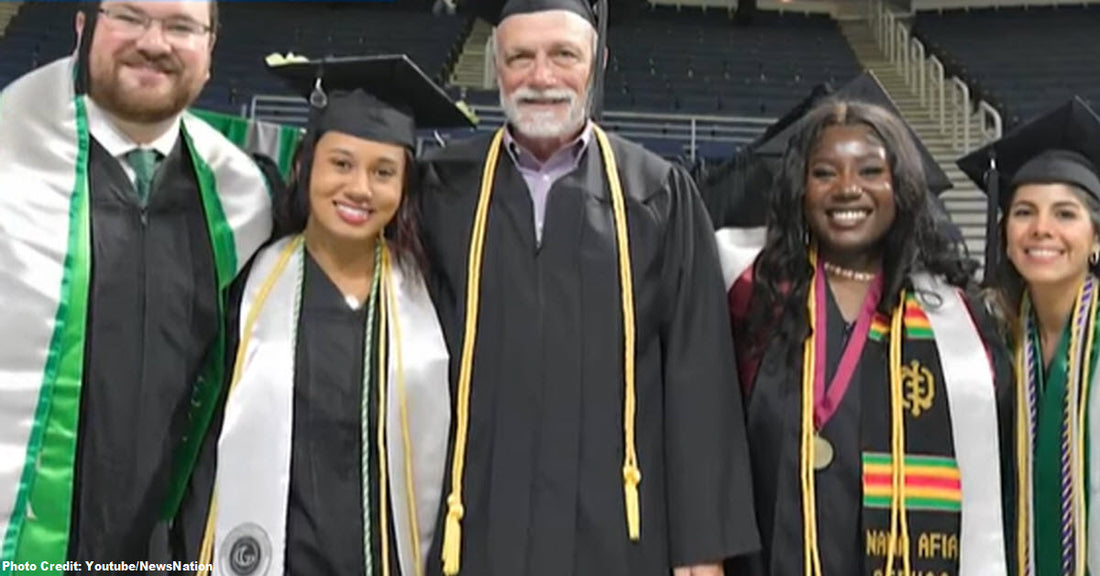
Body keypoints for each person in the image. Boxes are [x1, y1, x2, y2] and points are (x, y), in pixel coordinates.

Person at [418, 0, 759, 574]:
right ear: (495, 67)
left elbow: (699, 382)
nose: (541, 77)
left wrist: (703, 549)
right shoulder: (443, 190)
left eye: (563, 55)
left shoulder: (659, 197)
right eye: (520, 57)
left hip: (617, 533)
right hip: (471, 524)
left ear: (595, 61)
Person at [0, 0, 271, 565]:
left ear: (210, 51)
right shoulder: (9, 166)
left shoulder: (240, 201)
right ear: (83, 28)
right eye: (129, 16)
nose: (154, 42)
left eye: (180, 27)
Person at [182, 54, 475, 576]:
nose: (360, 188)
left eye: (383, 172)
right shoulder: (246, 286)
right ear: (306, 165)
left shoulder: (433, 300)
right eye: (341, 163)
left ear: (404, 186)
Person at [726, 97, 1012, 576]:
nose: (847, 189)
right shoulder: (748, 295)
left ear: (901, 188)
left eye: (870, 171)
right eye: (824, 173)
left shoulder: (955, 323)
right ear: (799, 188)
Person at [958, 96, 1100, 576]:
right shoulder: (988, 343)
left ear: (1097, 237)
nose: (1041, 229)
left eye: (1065, 214)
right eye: (1023, 212)